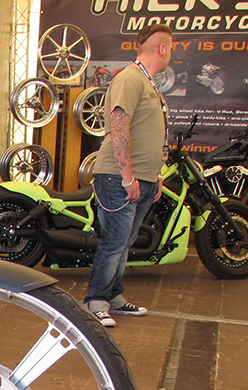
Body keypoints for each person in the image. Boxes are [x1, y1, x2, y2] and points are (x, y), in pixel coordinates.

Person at [86, 23, 173, 327]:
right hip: (116, 178)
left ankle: (114, 297)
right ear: (162, 48)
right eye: (170, 48)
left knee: (124, 242)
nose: (170, 54)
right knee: (114, 242)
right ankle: (96, 302)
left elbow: (147, 132)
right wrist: (127, 177)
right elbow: (119, 127)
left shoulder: (148, 82)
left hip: (143, 178)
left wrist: (154, 176)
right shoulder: (130, 79)